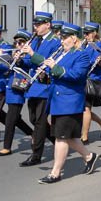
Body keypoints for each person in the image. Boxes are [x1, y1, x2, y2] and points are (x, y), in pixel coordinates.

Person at [37, 23, 98, 183]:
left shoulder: (82, 55)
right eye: (61, 37)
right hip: (57, 100)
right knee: (67, 136)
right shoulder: (61, 54)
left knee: (61, 138)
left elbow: (77, 75)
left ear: (74, 38)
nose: (62, 41)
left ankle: (55, 173)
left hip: (70, 101)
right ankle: (89, 156)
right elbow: (54, 76)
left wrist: (55, 68)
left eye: (64, 38)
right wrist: (44, 75)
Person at [18, 11, 61, 167]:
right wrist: (20, 59)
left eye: (38, 24)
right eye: (35, 24)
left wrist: (31, 53)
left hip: (45, 85)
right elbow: (30, 62)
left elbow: (50, 62)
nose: (35, 27)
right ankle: (59, 142)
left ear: (47, 25)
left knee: (40, 121)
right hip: (33, 86)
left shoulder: (55, 42)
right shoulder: (35, 40)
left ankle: (36, 154)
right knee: (34, 119)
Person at [0, 29, 36, 157]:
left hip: (19, 86)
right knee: (15, 118)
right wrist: (0, 58)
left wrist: (19, 60)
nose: (18, 45)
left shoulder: (29, 54)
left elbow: (29, 64)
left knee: (10, 119)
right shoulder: (15, 53)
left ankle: (6, 147)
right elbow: (5, 69)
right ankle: (32, 133)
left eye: (21, 42)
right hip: (10, 87)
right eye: (16, 43)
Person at [80, 22, 101, 143]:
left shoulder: (98, 45)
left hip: (93, 80)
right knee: (82, 108)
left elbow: (96, 61)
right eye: (84, 33)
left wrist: (82, 61)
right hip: (84, 79)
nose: (85, 35)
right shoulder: (85, 44)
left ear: (94, 33)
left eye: (88, 33)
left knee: (86, 108)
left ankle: (84, 136)